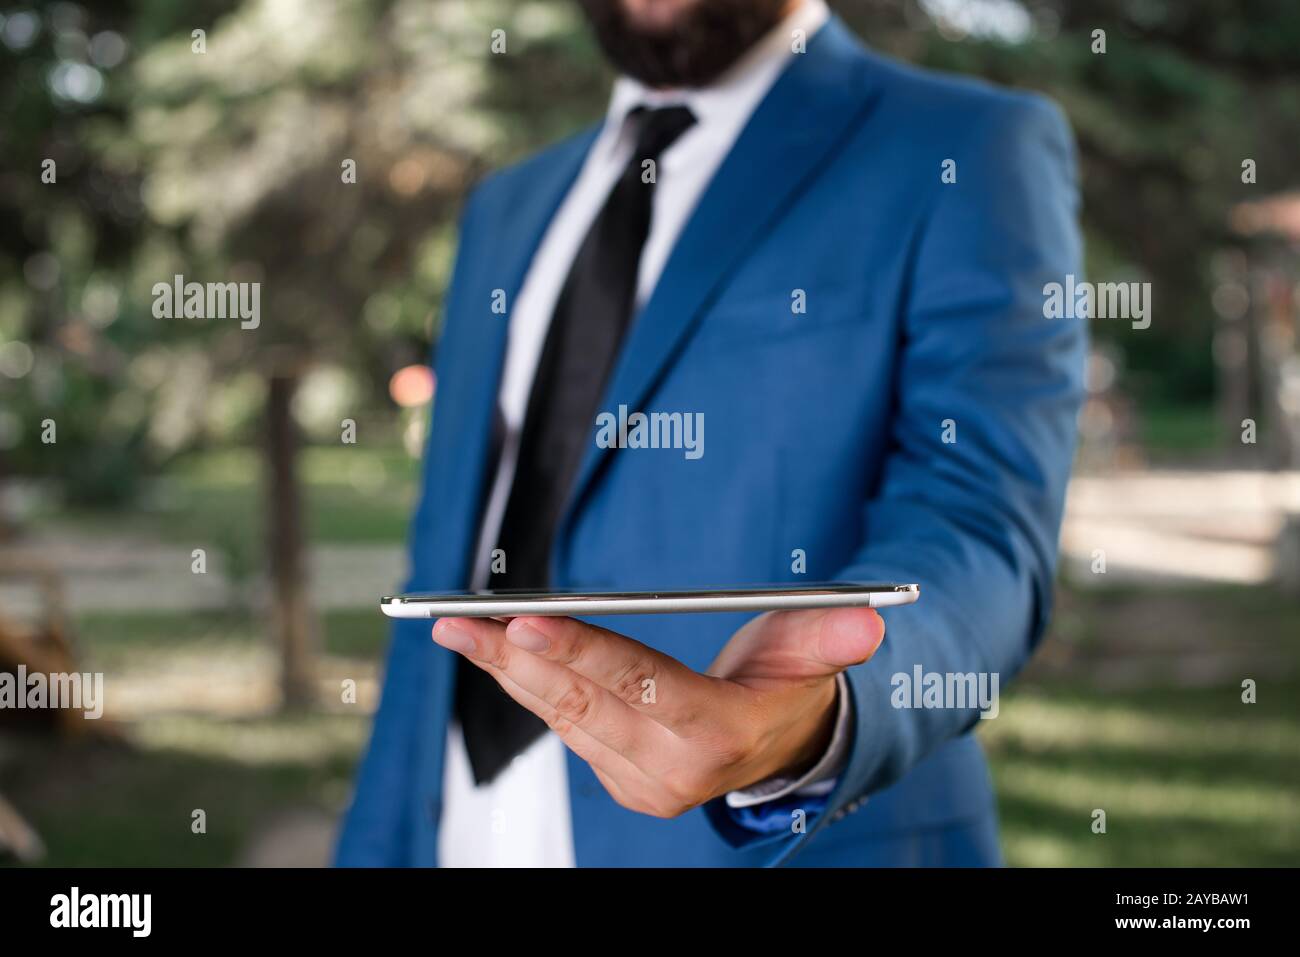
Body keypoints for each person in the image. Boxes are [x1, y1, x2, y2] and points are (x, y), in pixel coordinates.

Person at [336, 0, 1086, 867]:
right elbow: (443, 555)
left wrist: (824, 710)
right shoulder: (507, 206)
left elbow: (981, 528)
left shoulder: (967, 149)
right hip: (462, 825)